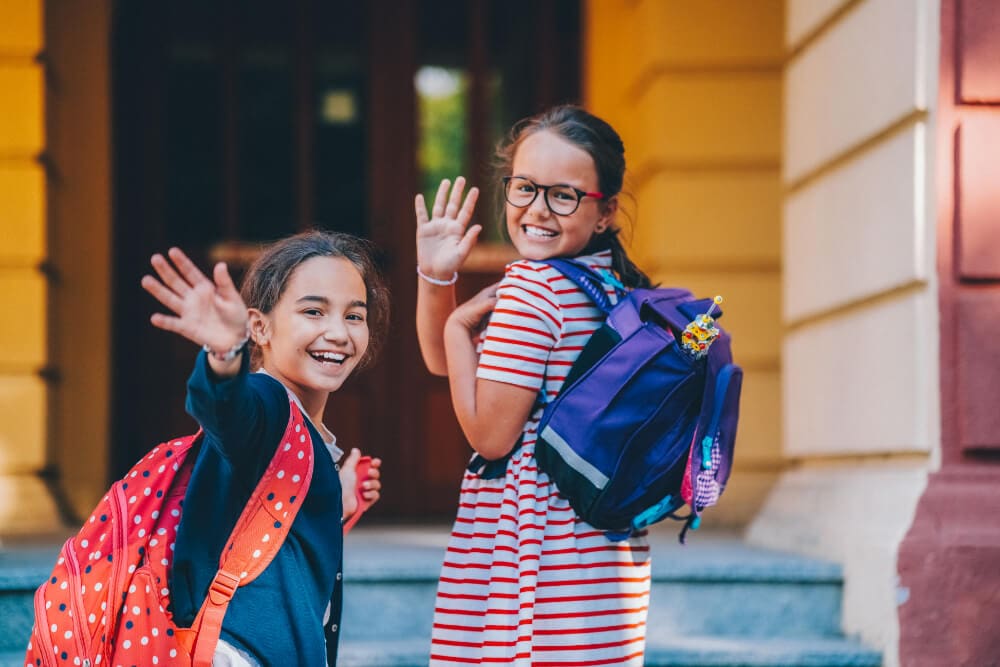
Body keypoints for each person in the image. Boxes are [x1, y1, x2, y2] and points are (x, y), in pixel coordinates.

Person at [415, 105, 654, 666]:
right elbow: (449, 368)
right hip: (599, 560)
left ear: (605, 211)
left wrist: (455, 325)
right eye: (524, 188)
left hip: (534, 550)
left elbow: (491, 436)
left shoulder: (534, 290)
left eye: (563, 194)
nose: (537, 210)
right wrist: (437, 279)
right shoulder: (611, 287)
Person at [141, 230, 388, 666]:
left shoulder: (303, 433)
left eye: (354, 315)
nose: (337, 332)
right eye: (313, 311)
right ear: (260, 327)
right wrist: (224, 354)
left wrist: (335, 498)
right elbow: (226, 409)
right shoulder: (267, 402)